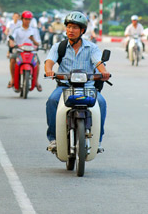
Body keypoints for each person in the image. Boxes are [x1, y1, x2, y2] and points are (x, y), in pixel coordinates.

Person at [44, 11, 111, 153]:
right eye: (68, 27)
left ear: (82, 31)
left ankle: (97, 140)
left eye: (75, 27)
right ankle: (53, 139)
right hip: (65, 87)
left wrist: (103, 72)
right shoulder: (59, 47)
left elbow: (98, 62)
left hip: (87, 87)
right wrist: (49, 70)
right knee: (52, 101)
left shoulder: (91, 47)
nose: (70, 30)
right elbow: (49, 61)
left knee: (102, 102)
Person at [8, 10, 42, 91]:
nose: (27, 21)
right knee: (12, 59)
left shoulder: (34, 30)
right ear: (22, 19)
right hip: (19, 51)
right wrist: (11, 43)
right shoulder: (17, 30)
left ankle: (36, 81)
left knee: (37, 63)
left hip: (32, 52)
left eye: (29, 19)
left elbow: (38, 43)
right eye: (26, 19)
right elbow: (11, 39)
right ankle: (13, 79)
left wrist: (33, 40)